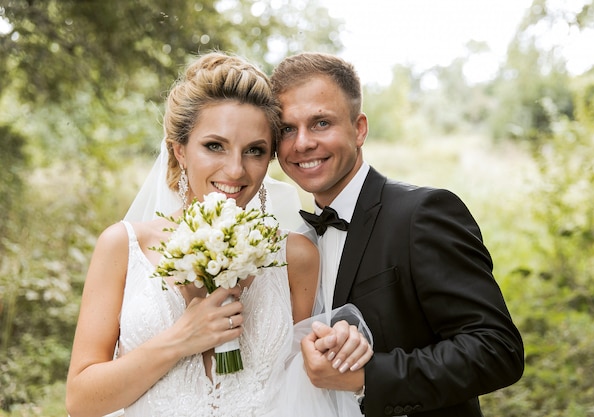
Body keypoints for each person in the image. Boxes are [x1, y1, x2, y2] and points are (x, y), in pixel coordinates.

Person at [66, 51, 372, 417]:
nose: (235, 170)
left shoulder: (296, 256)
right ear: (180, 150)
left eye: (255, 151)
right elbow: (80, 401)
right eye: (215, 146)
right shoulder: (123, 245)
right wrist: (180, 339)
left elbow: (304, 386)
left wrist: (339, 348)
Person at [271, 52, 525, 417]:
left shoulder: (422, 214)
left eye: (321, 123)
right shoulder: (297, 241)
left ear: (359, 129)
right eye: (287, 129)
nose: (302, 143)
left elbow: (497, 349)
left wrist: (367, 376)